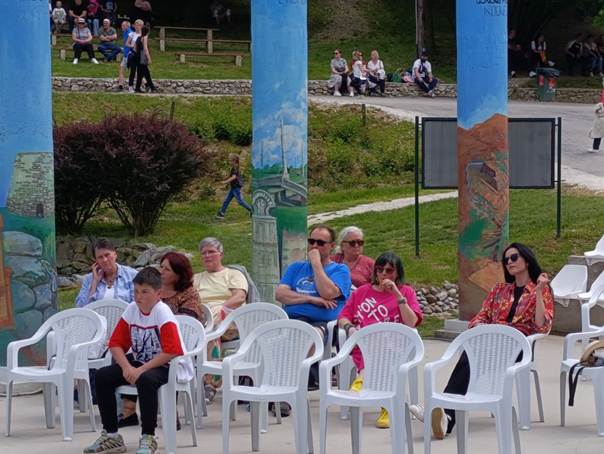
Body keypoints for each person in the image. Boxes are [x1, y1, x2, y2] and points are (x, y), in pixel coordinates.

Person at [409, 242, 553, 440]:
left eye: (514, 257)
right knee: (471, 354)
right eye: (506, 260)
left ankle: (438, 406)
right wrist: (480, 328)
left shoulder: (541, 289)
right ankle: (446, 416)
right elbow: (481, 316)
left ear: (527, 260)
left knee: (473, 357)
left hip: (518, 347)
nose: (509, 262)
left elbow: (541, 326)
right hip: (491, 344)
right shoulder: (500, 290)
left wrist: (538, 291)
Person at [83, 267, 192, 454]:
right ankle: (111, 436)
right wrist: (126, 367)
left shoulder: (162, 312)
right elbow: (115, 344)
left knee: (145, 379)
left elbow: (172, 351)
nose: (138, 297)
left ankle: (148, 437)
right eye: (136, 291)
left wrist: (139, 370)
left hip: (169, 365)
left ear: (158, 294)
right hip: (141, 361)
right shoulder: (132, 309)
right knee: (102, 376)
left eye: (145, 292)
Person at [338, 251, 423, 429]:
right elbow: (343, 317)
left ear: (397, 273)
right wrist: (350, 328)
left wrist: (397, 295)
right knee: (374, 349)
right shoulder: (361, 292)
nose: (384, 274)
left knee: (385, 351)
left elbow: (412, 322)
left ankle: (362, 381)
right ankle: (387, 407)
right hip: (364, 344)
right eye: (380, 269)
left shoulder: (406, 292)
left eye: (389, 270)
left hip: (395, 345)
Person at [119, 252, 203, 428]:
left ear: (178, 274)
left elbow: (186, 322)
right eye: (161, 267)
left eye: (167, 269)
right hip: (148, 340)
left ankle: (170, 412)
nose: (161, 271)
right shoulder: (149, 289)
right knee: (124, 357)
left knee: (159, 366)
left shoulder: (188, 293)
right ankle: (128, 410)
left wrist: (158, 321)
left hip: (178, 342)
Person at [193, 237, 248, 400]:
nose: (207, 256)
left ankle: (211, 383)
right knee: (211, 334)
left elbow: (239, 297)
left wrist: (219, 309)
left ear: (221, 254)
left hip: (231, 321)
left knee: (211, 328)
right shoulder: (196, 278)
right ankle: (209, 384)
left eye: (211, 252)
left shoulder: (233, 274)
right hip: (204, 320)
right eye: (204, 253)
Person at [75, 238, 137, 307]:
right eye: (100, 257)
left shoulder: (132, 275)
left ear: (115, 254)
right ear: (96, 261)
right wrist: (94, 283)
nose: (104, 260)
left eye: (107, 255)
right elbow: (80, 307)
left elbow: (137, 305)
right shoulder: (88, 279)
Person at [216, 153, 252, 219]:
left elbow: (234, 177)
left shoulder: (235, 167)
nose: (229, 162)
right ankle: (221, 213)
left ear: (234, 161)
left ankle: (252, 210)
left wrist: (225, 182)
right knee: (226, 200)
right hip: (233, 187)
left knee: (240, 201)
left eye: (230, 160)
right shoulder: (234, 167)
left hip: (236, 188)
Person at [134, 25, 157, 93]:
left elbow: (134, 48)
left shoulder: (138, 37)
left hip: (137, 57)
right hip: (143, 58)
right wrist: (149, 58)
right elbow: (145, 48)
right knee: (146, 73)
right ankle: (152, 87)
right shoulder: (145, 37)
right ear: (147, 31)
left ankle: (138, 88)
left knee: (141, 73)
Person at [125, 19, 143, 93]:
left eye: (139, 25)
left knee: (140, 72)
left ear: (141, 26)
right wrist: (132, 46)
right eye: (136, 25)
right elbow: (127, 44)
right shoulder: (132, 34)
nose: (137, 27)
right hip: (133, 54)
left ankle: (138, 87)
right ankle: (130, 86)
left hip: (140, 55)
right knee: (133, 71)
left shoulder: (143, 35)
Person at [117, 20, 132, 89]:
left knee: (133, 72)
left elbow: (132, 44)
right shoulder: (125, 32)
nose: (121, 26)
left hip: (129, 55)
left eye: (123, 25)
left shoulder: (130, 33)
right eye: (121, 25)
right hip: (126, 54)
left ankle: (146, 83)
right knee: (121, 68)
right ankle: (121, 84)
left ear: (127, 26)